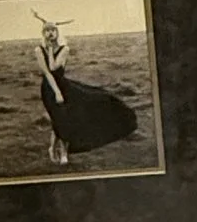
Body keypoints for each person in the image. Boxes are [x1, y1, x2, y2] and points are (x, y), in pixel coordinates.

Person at [34, 13, 139, 166]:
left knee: (65, 118)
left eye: (53, 30)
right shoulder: (38, 50)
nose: (50, 33)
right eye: (47, 31)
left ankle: (61, 152)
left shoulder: (65, 49)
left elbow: (54, 67)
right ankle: (55, 150)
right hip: (48, 89)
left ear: (57, 33)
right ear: (43, 33)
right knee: (58, 119)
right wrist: (56, 92)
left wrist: (50, 51)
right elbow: (47, 72)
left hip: (63, 86)